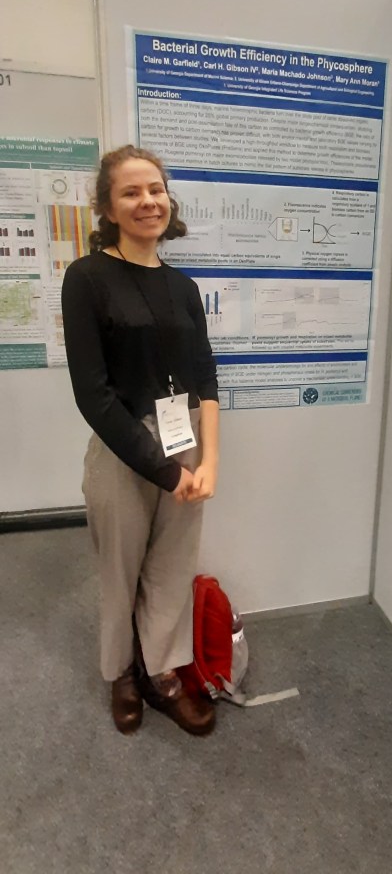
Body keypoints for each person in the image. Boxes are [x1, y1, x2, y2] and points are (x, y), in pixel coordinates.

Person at [61, 144, 219, 737]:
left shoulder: (183, 287)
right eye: (130, 192)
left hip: (186, 444)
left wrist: (210, 461)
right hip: (122, 446)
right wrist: (166, 471)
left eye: (155, 189)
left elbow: (205, 378)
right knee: (120, 570)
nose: (147, 201)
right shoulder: (87, 278)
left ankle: (164, 671)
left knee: (173, 568)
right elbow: (93, 394)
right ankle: (122, 673)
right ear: (108, 206)